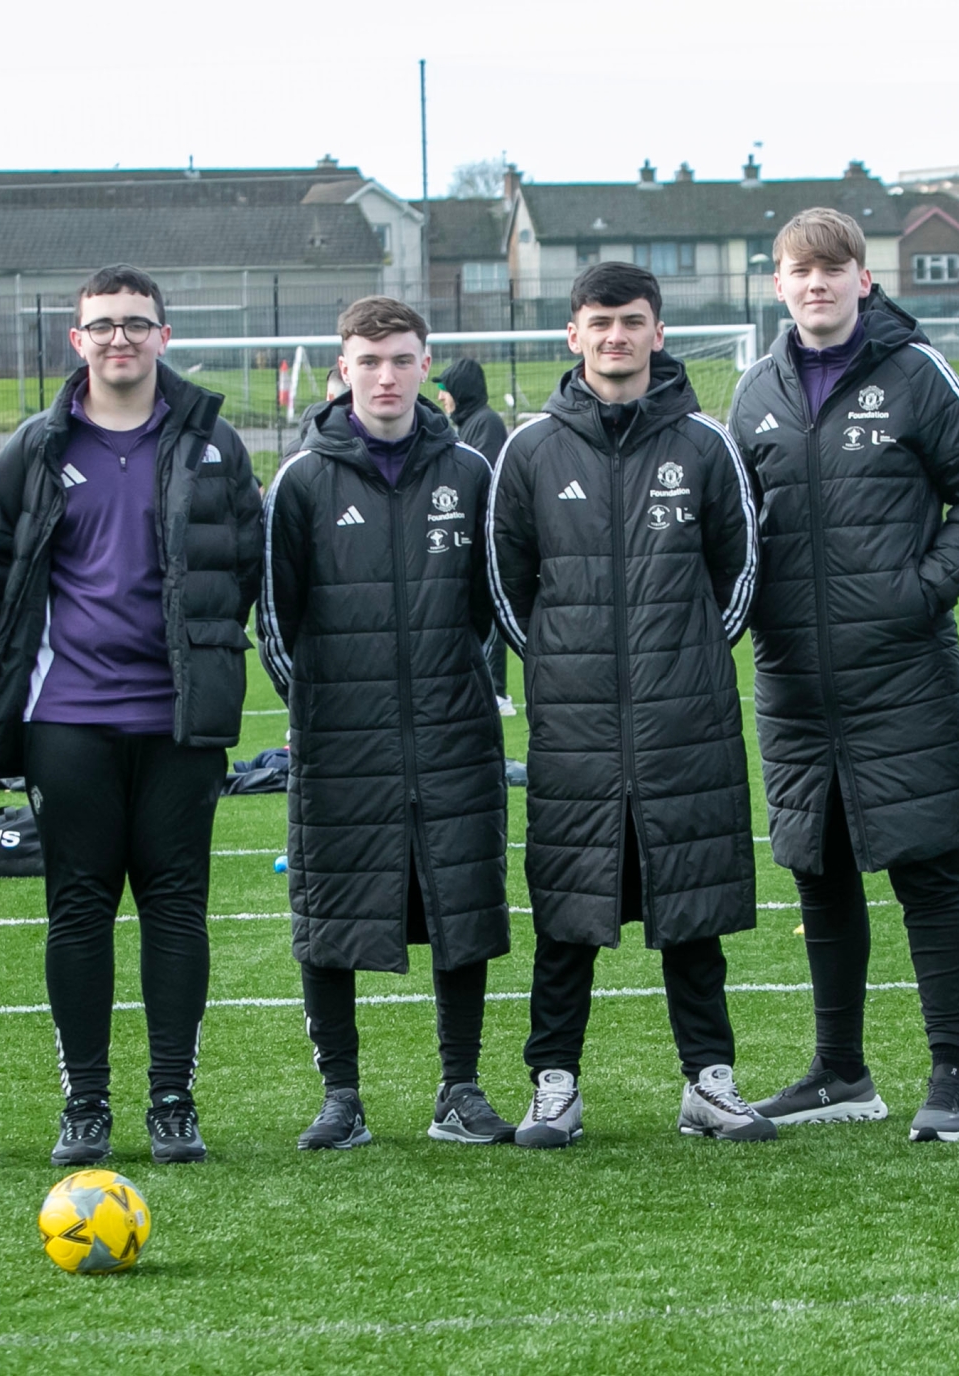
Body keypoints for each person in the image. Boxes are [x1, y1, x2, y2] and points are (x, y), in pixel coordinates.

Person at [729, 207, 959, 1145]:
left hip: (901, 669)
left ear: (863, 278)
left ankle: (950, 1075)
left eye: (833, 267)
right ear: (778, 284)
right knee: (818, 873)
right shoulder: (754, 392)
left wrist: (925, 590)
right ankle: (840, 1071)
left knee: (927, 870)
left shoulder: (916, 372)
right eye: (799, 270)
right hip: (794, 680)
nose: (816, 283)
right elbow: (733, 527)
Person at [0, 264, 263, 1167]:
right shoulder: (36, 445)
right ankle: (86, 1104)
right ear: (77, 340)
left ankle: (172, 1099)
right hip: (68, 721)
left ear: (164, 336)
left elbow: (244, 565)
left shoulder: (214, 442)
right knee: (78, 909)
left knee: (176, 909)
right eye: (102, 325)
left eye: (137, 323)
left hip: (179, 721)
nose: (120, 339)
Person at [487, 262, 772, 1146]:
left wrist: (683, 662)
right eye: (601, 322)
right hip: (574, 723)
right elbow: (506, 583)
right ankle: (555, 1086)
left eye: (633, 321)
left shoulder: (705, 444)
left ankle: (709, 1082)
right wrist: (565, 668)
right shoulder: (529, 450)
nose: (617, 336)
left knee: (691, 905)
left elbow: (740, 572)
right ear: (574, 334)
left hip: (684, 717)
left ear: (658, 332)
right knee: (568, 908)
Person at [261, 297, 512, 1150]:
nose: (386, 376)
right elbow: (275, 618)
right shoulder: (301, 480)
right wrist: (316, 710)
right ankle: (341, 1098)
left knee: (461, 905)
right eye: (369, 362)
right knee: (328, 911)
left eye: (402, 359)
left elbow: (491, 607)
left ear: (425, 367)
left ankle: (461, 1090)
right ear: (344, 371)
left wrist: (457, 687)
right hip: (342, 740)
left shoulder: (471, 471)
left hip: (452, 733)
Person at [436, 357, 516, 715]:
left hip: (485, 538)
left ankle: (496, 692)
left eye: (445, 389)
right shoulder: (470, 423)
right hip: (467, 536)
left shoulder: (485, 424)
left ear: (461, 391)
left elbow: (479, 480)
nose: (441, 397)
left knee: (487, 611)